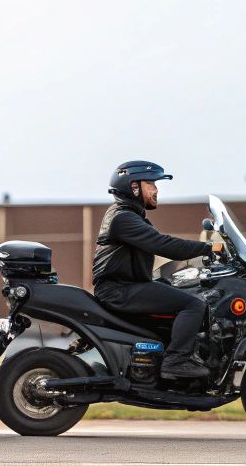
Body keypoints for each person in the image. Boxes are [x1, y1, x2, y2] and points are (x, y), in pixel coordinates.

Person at [91, 160, 221, 380]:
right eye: (150, 183)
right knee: (193, 305)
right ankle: (176, 361)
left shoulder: (129, 216)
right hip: (119, 290)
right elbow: (164, 244)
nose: (156, 189)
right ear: (133, 186)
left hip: (127, 286)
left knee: (183, 292)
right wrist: (209, 248)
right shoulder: (123, 218)